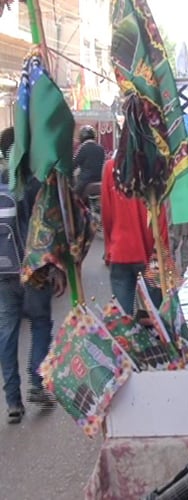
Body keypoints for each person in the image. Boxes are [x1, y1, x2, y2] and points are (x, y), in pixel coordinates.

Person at [0, 127, 66, 424]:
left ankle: (13, 401)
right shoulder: (34, 181)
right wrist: (57, 267)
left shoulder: (2, 181)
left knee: (7, 333)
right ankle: (37, 383)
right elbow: (47, 228)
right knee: (40, 323)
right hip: (34, 268)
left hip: (4, 270)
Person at [101, 156, 170, 314]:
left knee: (124, 321)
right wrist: (164, 253)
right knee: (159, 317)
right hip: (152, 252)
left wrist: (109, 249)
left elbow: (107, 214)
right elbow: (161, 217)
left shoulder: (110, 167)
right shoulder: (154, 165)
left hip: (121, 250)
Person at [73, 125, 105, 199]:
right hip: (99, 180)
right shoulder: (100, 148)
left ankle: (77, 210)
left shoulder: (83, 148)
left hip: (85, 181)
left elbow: (74, 164)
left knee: (73, 196)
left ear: (81, 137)